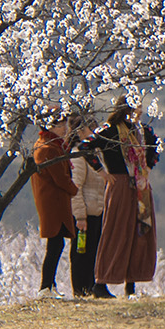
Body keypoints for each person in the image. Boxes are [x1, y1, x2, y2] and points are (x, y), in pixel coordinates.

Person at [89, 101, 159, 295]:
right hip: (119, 185)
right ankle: (101, 282)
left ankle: (132, 283)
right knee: (116, 230)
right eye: (136, 108)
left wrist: (147, 169)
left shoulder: (143, 131)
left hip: (141, 186)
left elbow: (155, 149)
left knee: (139, 232)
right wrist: (102, 172)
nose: (139, 112)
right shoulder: (109, 130)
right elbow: (86, 146)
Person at [31, 110, 82, 296]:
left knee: (56, 244)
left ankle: (50, 286)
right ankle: (45, 287)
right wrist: (74, 189)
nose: (65, 129)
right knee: (54, 244)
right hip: (53, 202)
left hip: (53, 201)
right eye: (61, 125)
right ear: (51, 126)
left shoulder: (48, 145)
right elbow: (60, 178)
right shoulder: (49, 148)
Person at [68, 110, 105, 297]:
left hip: (97, 210)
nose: (95, 132)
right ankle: (80, 289)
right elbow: (76, 188)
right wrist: (80, 216)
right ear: (81, 132)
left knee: (93, 252)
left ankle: (91, 287)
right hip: (86, 212)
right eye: (91, 128)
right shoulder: (78, 155)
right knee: (81, 252)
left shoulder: (95, 153)